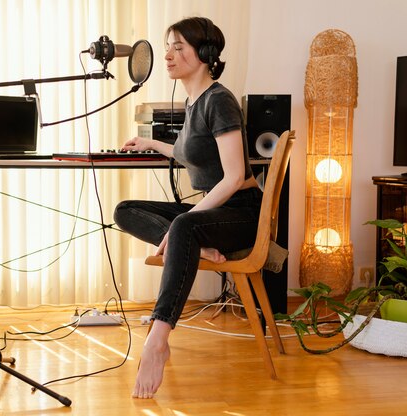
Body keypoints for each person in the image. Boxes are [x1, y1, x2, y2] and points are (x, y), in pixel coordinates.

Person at [113, 17, 262, 399]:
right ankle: (193, 242)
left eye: (179, 46)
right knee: (125, 209)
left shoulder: (220, 101)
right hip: (215, 213)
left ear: (206, 54)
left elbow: (232, 177)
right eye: (168, 46)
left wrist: (190, 219)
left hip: (242, 214)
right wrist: (153, 146)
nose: (168, 55)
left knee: (183, 223)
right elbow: (190, 152)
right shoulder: (194, 100)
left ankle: (158, 339)